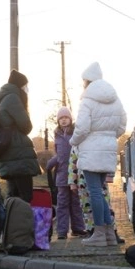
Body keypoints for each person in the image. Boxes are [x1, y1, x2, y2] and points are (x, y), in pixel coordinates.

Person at [69, 62, 127, 247]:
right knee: (100, 192)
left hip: (90, 151)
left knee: (95, 192)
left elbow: (82, 127)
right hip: (108, 149)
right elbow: (122, 125)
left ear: (87, 81)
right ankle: (109, 234)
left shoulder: (87, 100)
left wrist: (73, 141)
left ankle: (100, 234)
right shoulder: (115, 98)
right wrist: (109, 137)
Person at [0, 69, 41, 202]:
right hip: (18, 157)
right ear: (19, 86)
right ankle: (21, 223)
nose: (26, 90)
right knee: (25, 197)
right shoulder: (13, 98)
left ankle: (11, 222)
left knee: (13, 196)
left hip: (9, 155)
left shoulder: (4, 98)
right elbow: (26, 126)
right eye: (25, 86)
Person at [45, 107, 88, 240]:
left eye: (66, 118)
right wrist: (51, 163)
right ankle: (62, 231)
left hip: (74, 173)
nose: (63, 120)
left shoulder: (75, 134)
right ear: (58, 121)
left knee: (76, 203)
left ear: (70, 119)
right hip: (62, 175)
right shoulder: (57, 134)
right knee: (62, 203)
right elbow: (58, 154)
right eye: (61, 119)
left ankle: (78, 228)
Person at [68, 147, 125, 243]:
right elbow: (72, 163)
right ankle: (91, 230)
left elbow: (108, 155)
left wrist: (109, 175)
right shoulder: (76, 145)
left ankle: (111, 231)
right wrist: (72, 182)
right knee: (87, 208)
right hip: (83, 182)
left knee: (106, 205)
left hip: (99, 180)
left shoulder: (97, 141)